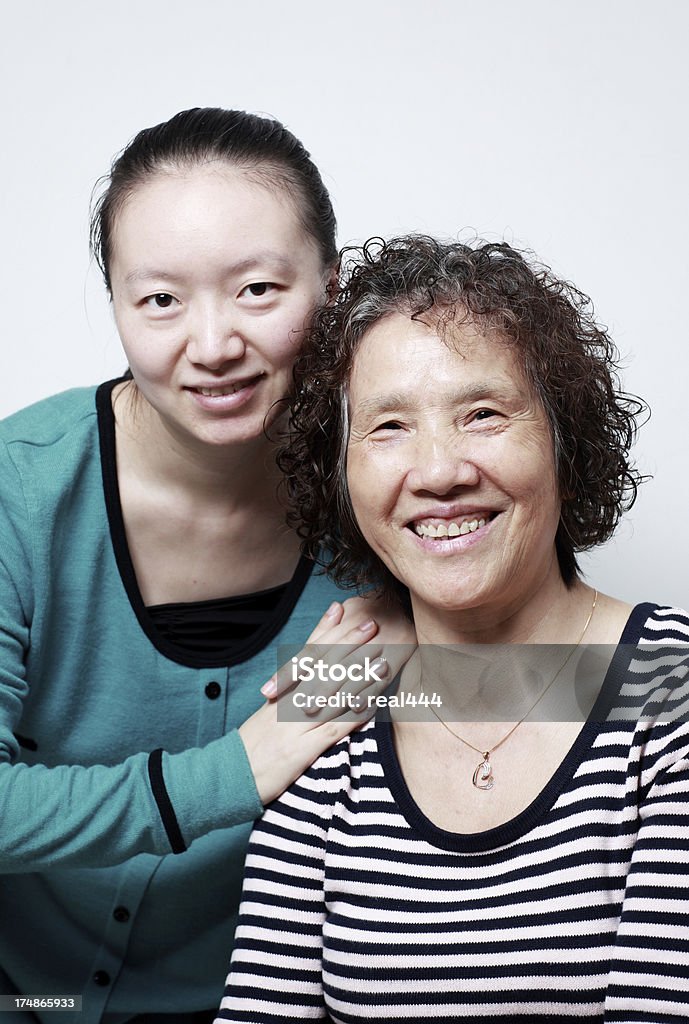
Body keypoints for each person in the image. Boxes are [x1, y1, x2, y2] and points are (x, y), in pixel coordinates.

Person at [0, 110, 411, 1024]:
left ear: (331, 287)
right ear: (112, 303)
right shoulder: (19, 491)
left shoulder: (401, 484)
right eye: (160, 301)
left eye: (260, 289)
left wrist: (433, 651)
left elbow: (563, 702)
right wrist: (243, 764)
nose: (214, 343)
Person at [217, 236, 689, 1022]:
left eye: (481, 414)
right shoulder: (335, 691)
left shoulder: (668, 684)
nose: (438, 472)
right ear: (341, 471)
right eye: (388, 426)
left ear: (563, 441)